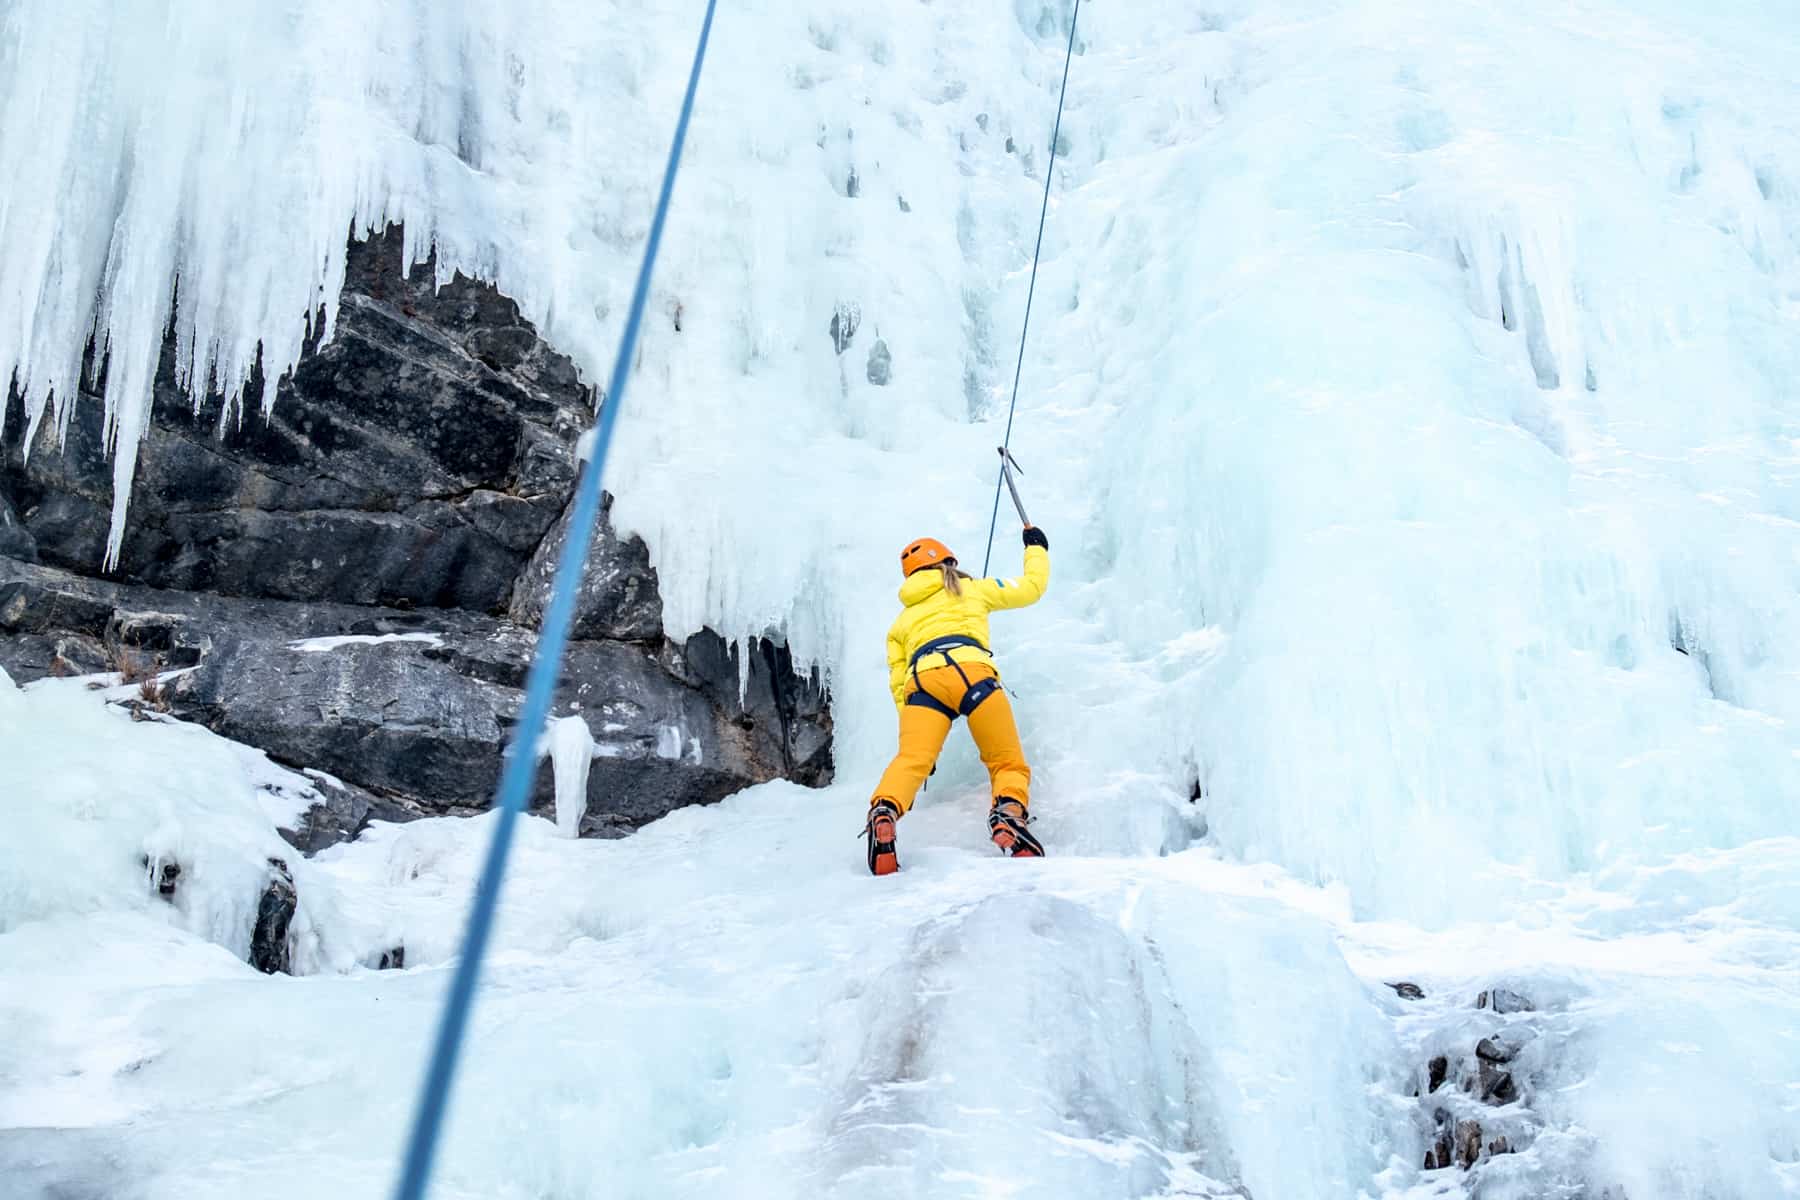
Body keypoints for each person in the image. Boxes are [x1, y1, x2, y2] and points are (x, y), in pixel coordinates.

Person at [864, 525, 1051, 875]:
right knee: (1006, 762)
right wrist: (1036, 548)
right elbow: (1031, 588)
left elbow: (897, 678)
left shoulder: (901, 622)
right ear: (948, 563)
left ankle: (885, 810)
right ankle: (1008, 815)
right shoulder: (971, 589)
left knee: (911, 761)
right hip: (972, 673)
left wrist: (915, 728)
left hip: (923, 685)